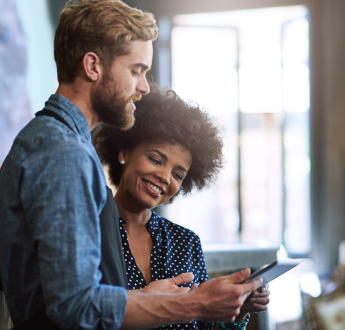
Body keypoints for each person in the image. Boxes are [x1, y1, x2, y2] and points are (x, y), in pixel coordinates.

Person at [0, 0, 262, 330]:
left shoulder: (56, 142)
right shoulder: (63, 153)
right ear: (93, 66)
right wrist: (195, 302)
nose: (145, 87)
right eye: (136, 70)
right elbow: (76, 307)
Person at [94, 88, 270, 330]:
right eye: (156, 159)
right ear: (124, 151)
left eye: (178, 174)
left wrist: (237, 308)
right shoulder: (90, 232)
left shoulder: (186, 242)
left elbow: (205, 327)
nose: (165, 177)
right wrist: (145, 300)